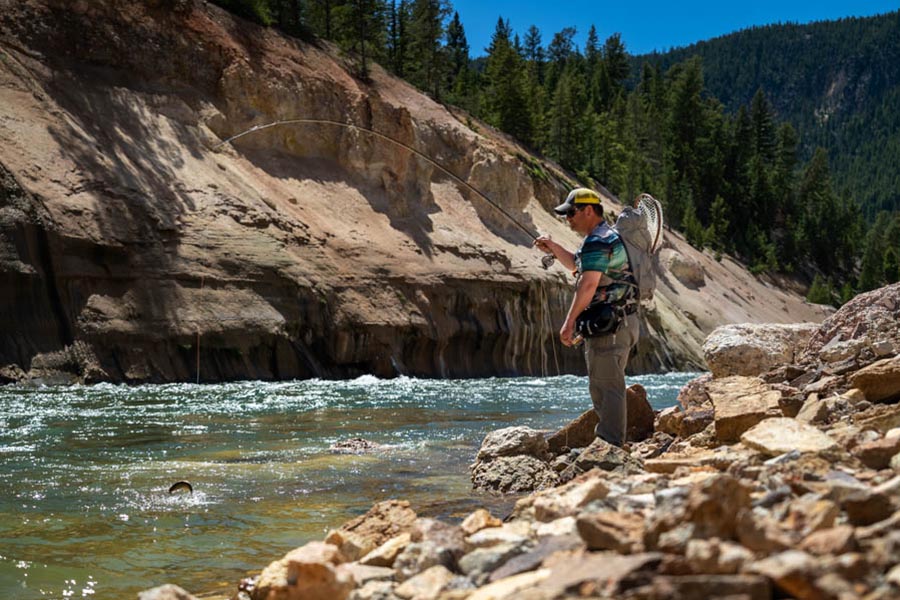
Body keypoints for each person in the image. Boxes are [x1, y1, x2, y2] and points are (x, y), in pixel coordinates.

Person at [533, 188, 640, 447]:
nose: (567, 219)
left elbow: (588, 285)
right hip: (623, 322)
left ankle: (610, 448)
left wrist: (569, 322)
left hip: (611, 325)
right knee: (605, 384)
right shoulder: (606, 237)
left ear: (588, 210)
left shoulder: (597, 241)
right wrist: (554, 247)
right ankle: (610, 445)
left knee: (607, 387)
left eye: (571, 213)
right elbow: (577, 266)